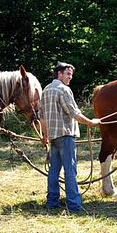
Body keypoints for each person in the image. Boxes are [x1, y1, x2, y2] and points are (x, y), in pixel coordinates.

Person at [40, 62, 101, 214]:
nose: (70, 77)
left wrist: (45, 136)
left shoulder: (46, 90)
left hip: (53, 137)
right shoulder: (63, 90)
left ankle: (52, 202)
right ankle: (74, 205)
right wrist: (91, 122)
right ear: (59, 74)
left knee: (53, 171)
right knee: (70, 170)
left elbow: (41, 117)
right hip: (66, 135)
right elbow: (74, 113)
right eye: (67, 74)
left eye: (71, 74)